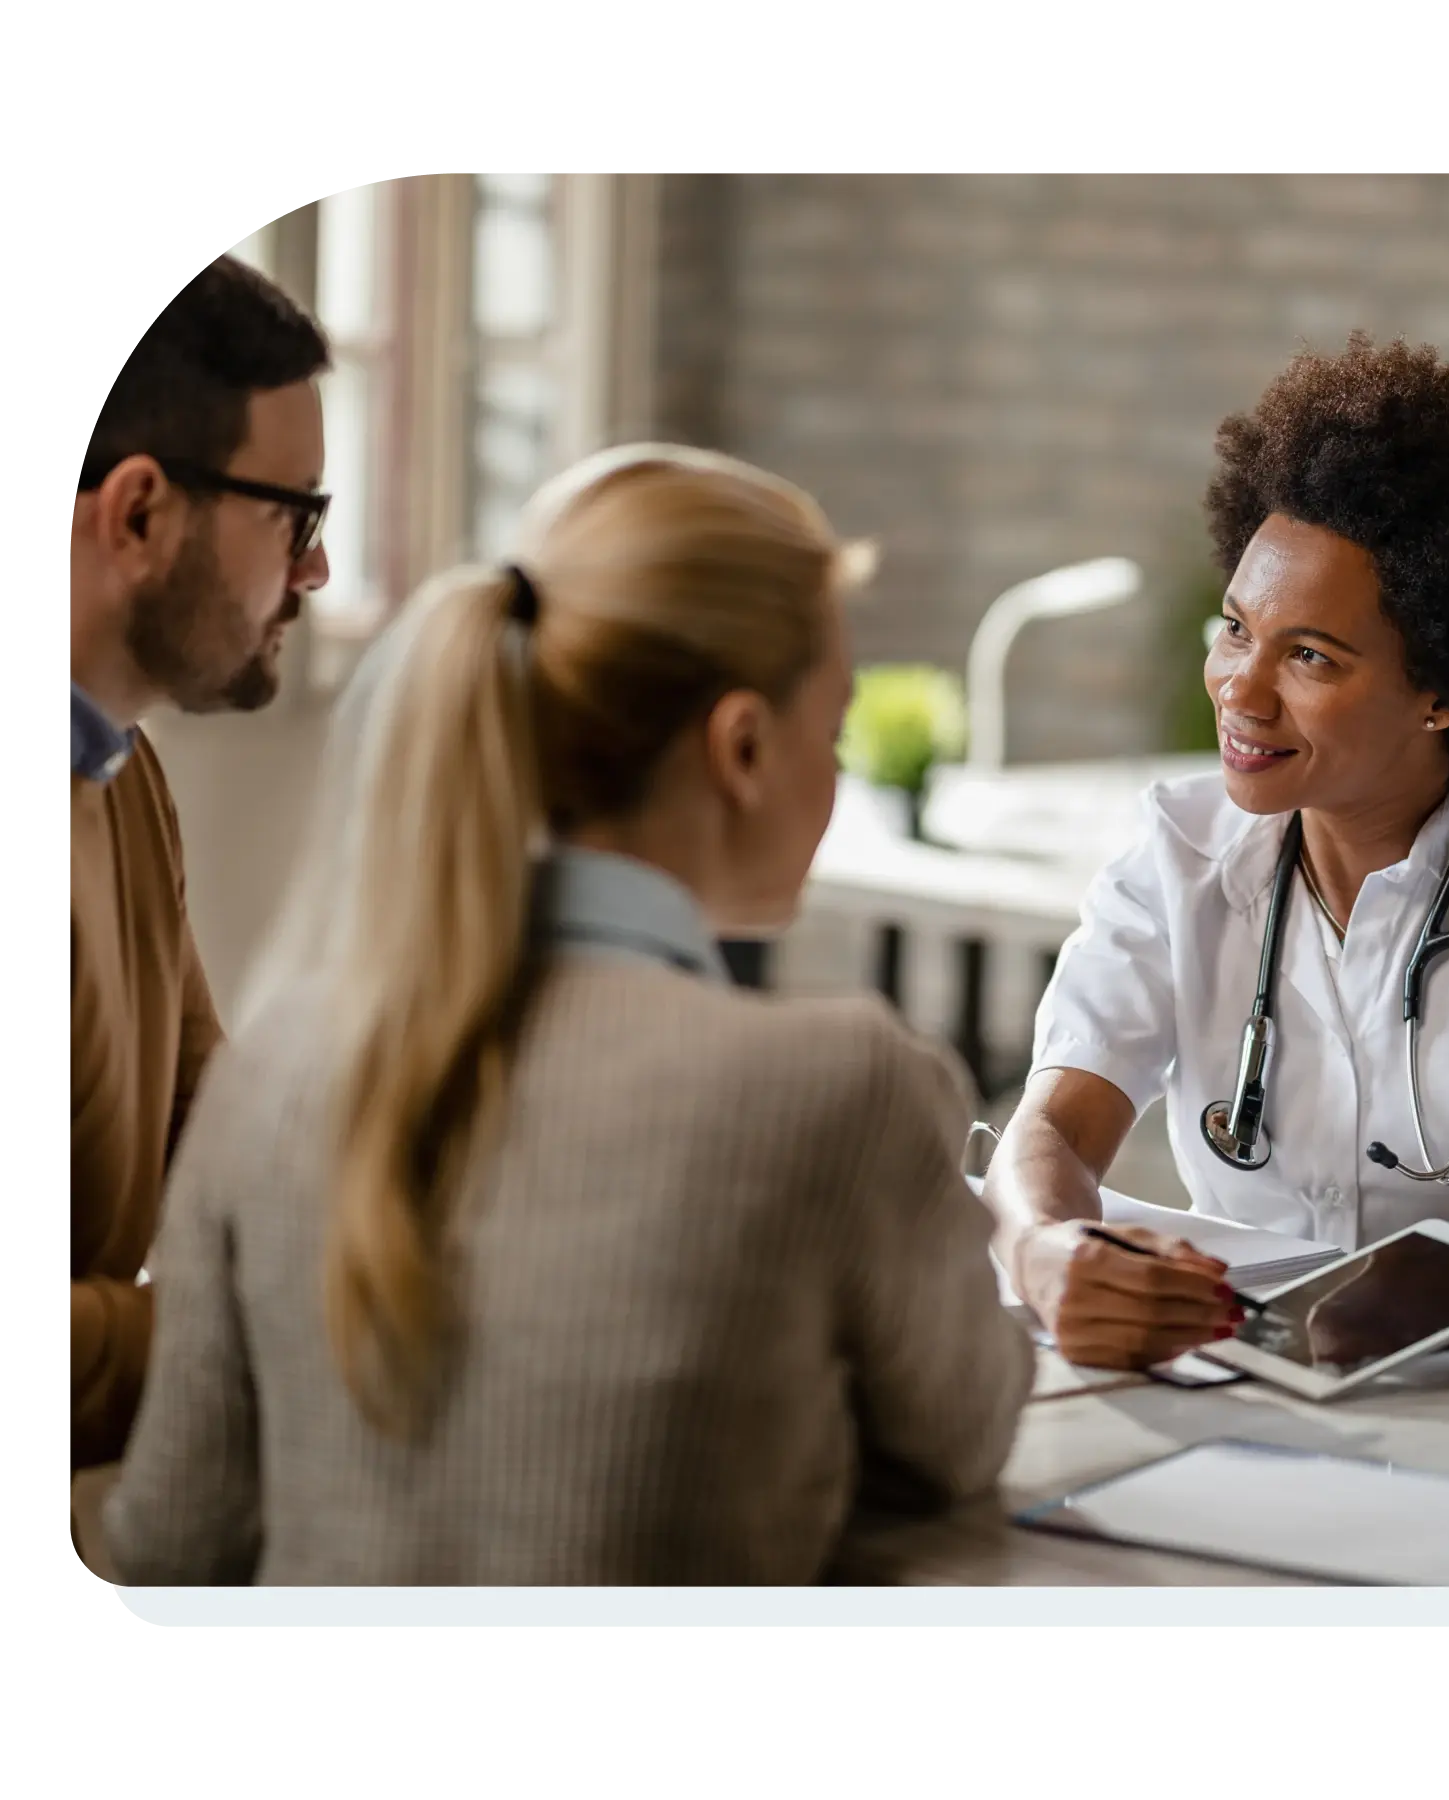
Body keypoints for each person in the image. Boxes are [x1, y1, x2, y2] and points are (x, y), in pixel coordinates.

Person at [102, 444, 1035, 1585]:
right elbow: (963, 1436)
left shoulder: (282, 1063)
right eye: (830, 733)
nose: (833, 774)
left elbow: (168, 1542)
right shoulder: (839, 1088)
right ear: (741, 746)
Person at [984, 331, 1449, 1371]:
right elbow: (1051, 1128)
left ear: (1444, 688)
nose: (1240, 688)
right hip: (1237, 1393)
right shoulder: (1180, 854)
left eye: (1309, 655)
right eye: (1235, 630)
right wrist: (1044, 1249)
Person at [65, 255, 332, 1525]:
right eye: (295, 517)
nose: (316, 573)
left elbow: (211, 1130)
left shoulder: (123, 778)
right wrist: (268, 1335)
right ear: (137, 515)